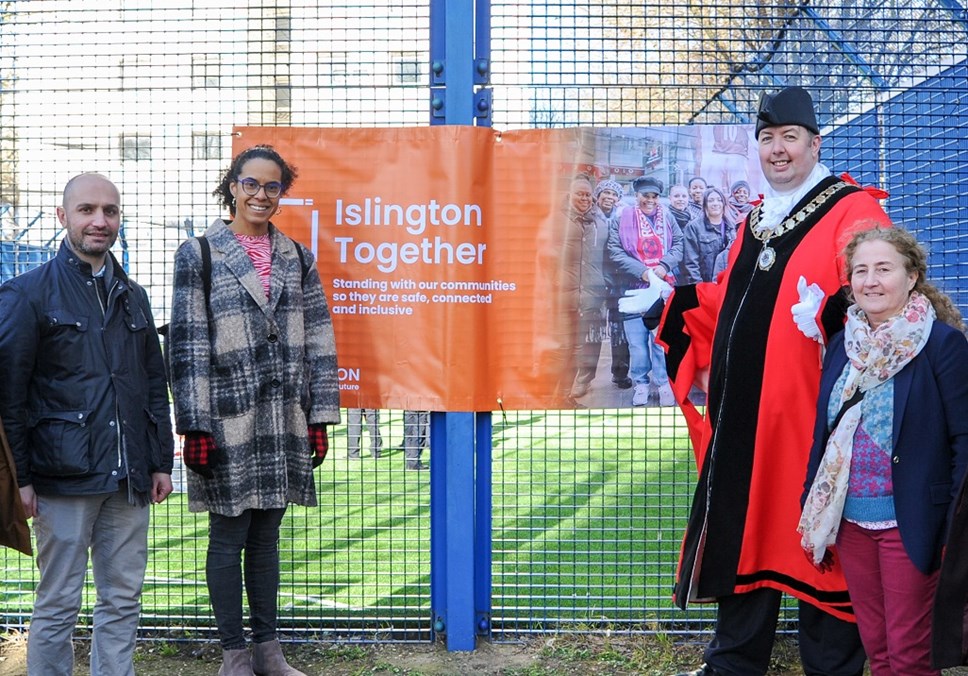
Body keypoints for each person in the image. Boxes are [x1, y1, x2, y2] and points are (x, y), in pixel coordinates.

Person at [660, 86, 893, 676]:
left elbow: (885, 290)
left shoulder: (853, 209)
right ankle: (733, 664)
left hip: (821, 425)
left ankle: (833, 669)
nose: (778, 150)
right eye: (767, 139)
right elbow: (733, 303)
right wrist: (676, 303)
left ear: (815, 143)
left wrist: (831, 312)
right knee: (745, 538)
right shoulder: (756, 220)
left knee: (826, 544)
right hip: (748, 423)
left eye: (790, 137)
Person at [168, 145, 340, 676]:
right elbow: (189, 344)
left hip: (284, 418)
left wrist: (318, 417)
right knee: (228, 537)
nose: (260, 195)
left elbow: (319, 338)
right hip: (226, 419)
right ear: (233, 187)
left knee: (267, 538)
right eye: (251, 184)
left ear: (281, 193)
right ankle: (234, 655)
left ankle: (269, 651)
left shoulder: (297, 256)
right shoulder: (199, 253)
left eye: (271, 187)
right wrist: (193, 424)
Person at [0, 172, 175, 676]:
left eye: (110, 211)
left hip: (129, 480)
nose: (100, 221)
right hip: (62, 477)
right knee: (58, 603)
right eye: (87, 210)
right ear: (63, 217)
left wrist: (159, 461)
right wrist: (21, 480)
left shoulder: (133, 295)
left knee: (122, 599)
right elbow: (9, 397)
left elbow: (150, 383)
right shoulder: (26, 295)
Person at [799, 226, 968, 676]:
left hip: (913, 520)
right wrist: (810, 502)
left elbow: (964, 440)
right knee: (878, 647)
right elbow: (826, 433)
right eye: (861, 270)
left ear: (912, 277)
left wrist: (953, 523)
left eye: (884, 269)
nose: (871, 281)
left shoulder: (942, 346)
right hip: (851, 520)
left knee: (911, 653)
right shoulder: (840, 346)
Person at [608, 175, 682, 407]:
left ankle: (662, 383)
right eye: (645, 196)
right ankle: (640, 383)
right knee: (637, 343)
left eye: (654, 196)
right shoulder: (622, 217)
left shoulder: (667, 216)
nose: (650, 200)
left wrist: (664, 266)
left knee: (659, 340)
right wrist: (643, 271)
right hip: (632, 287)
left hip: (662, 288)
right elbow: (615, 250)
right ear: (636, 195)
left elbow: (679, 243)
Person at [559, 174, 608, 401]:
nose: (585, 198)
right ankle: (561, 394)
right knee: (566, 347)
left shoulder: (600, 222)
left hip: (592, 293)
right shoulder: (558, 220)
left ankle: (581, 383)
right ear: (569, 194)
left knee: (589, 344)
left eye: (588, 194)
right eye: (580, 193)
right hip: (565, 295)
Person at [596, 178, 632, 390]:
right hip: (597, 281)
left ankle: (620, 373)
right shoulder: (591, 219)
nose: (609, 197)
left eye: (613, 194)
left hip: (619, 282)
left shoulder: (623, 218)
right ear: (598, 196)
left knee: (620, 330)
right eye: (605, 193)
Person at [680, 187, 735, 284]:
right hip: (704, 284)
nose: (715, 203)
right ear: (705, 205)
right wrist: (700, 287)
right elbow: (690, 263)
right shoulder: (693, 227)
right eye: (711, 200)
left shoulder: (731, 227)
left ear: (723, 204)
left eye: (719, 200)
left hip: (726, 284)